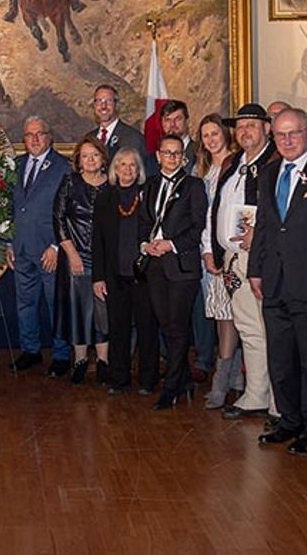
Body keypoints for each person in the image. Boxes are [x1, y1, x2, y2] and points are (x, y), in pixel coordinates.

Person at [249, 108, 307, 454]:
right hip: (273, 280)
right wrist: (254, 270)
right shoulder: (269, 171)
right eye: (280, 134)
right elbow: (264, 224)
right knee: (281, 358)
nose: (287, 140)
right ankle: (289, 420)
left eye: (294, 133)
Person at [209, 104, 278, 421]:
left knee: (271, 329)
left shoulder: (275, 163)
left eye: (252, 125)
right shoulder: (232, 162)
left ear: (267, 128)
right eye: (241, 126)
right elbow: (218, 207)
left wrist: (261, 237)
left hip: (262, 258)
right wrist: (215, 250)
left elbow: (281, 213)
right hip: (233, 258)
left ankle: (279, 402)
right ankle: (255, 393)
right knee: (249, 329)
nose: (245, 131)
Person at [139, 134, 208, 410]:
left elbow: (198, 226)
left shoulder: (194, 186)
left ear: (184, 157)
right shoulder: (151, 184)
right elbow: (143, 221)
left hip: (182, 266)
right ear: (158, 156)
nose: (171, 157)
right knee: (166, 325)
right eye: (167, 153)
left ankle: (172, 386)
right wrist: (145, 245)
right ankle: (182, 380)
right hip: (155, 266)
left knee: (178, 326)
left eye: (177, 153)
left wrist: (171, 244)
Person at [7, 115, 73, 375]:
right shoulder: (16, 165)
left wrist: (57, 246)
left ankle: (61, 355)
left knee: (56, 304)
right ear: (23, 140)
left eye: (39, 134)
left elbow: (69, 211)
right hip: (21, 249)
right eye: (29, 135)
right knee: (25, 305)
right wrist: (9, 243)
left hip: (50, 251)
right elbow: (9, 208)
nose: (34, 139)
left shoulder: (63, 167)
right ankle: (30, 350)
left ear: (49, 137)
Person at [92, 147, 156, 395]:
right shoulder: (105, 197)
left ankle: (148, 380)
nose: (127, 170)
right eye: (122, 165)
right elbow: (97, 241)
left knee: (147, 328)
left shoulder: (148, 194)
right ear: (114, 169)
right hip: (114, 274)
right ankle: (118, 378)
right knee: (117, 329)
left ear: (139, 170)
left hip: (144, 275)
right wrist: (98, 277)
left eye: (132, 165)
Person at [161, 99, 215, 383]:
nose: (173, 125)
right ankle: (171, 360)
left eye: (178, 120)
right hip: (163, 254)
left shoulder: (202, 153)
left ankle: (204, 359)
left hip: (194, 247)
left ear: (187, 121)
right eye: (167, 121)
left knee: (199, 307)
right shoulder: (155, 157)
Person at [54, 136, 110, 384]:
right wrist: (72, 254)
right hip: (75, 257)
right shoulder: (70, 182)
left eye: (95, 155)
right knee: (78, 310)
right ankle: (79, 360)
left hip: (104, 260)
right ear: (78, 160)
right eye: (85, 155)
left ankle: (103, 361)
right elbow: (58, 219)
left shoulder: (113, 185)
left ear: (103, 159)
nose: (90, 160)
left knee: (103, 311)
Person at [196, 113, 242, 409]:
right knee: (221, 315)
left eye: (215, 133)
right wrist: (206, 251)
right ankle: (236, 376)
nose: (211, 139)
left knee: (232, 316)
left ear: (226, 134)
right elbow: (202, 216)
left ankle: (221, 382)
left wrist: (226, 251)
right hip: (208, 252)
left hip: (231, 251)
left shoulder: (237, 165)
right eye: (205, 135)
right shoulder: (201, 170)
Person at [89, 84, 152, 174]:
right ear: (94, 105)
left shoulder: (133, 137)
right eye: (99, 101)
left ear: (116, 105)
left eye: (109, 101)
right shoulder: (89, 138)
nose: (103, 106)